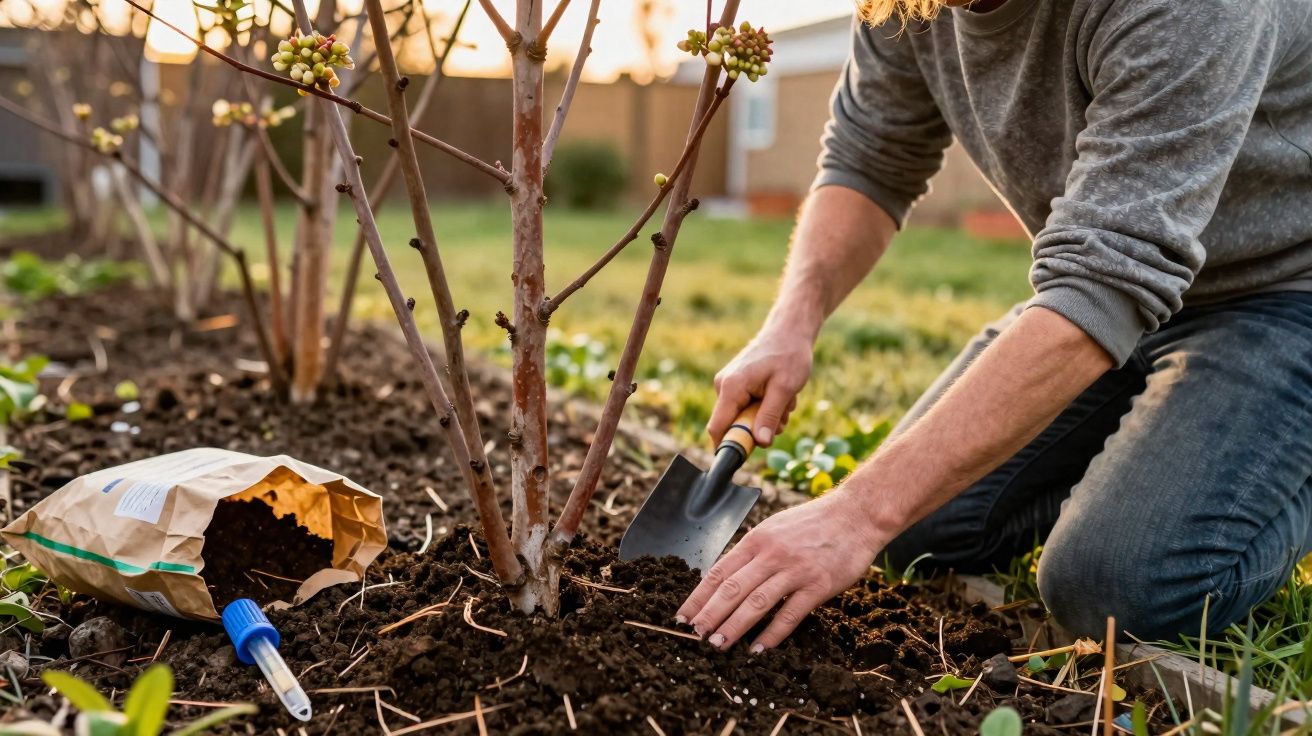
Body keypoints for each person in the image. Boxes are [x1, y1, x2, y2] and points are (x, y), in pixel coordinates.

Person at [675, 0, 1312, 653]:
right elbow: (871, 157)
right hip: (1120, 285)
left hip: (1284, 287)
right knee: (915, 532)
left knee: (1111, 589)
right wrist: (790, 325)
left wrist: (857, 513)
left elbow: (1105, 282)